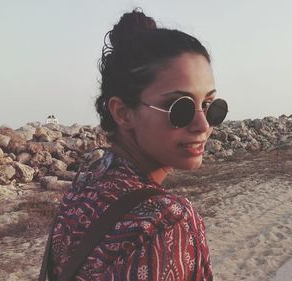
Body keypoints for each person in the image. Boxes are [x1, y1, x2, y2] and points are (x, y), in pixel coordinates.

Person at [48, 9, 227, 280]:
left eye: (210, 106)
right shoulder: (166, 221)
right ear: (123, 113)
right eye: (180, 107)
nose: (203, 125)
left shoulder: (87, 183)